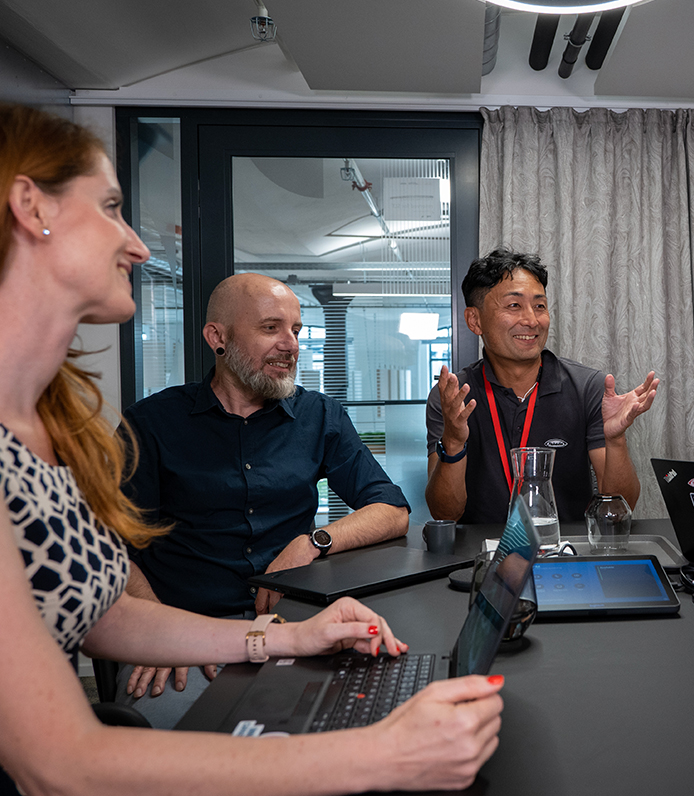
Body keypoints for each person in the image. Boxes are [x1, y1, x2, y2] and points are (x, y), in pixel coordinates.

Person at [0, 103, 503, 794]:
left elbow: (102, 608)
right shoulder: (144, 423)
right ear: (30, 206)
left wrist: (289, 634)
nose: (140, 245)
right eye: (112, 206)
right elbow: (57, 761)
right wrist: (383, 753)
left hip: (244, 629)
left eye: (296, 327)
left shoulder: (48, 427)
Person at [116, 272, 410, 727]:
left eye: (296, 329)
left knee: (349, 729)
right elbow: (108, 548)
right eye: (271, 328)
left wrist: (314, 541)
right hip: (183, 639)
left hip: (294, 629)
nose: (290, 344)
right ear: (218, 337)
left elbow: (391, 510)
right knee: (177, 756)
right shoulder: (150, 424)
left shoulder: (320, 416)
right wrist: (159, 631)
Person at [425, 248, 659, 524]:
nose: (532, 320)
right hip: (479, 555)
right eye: (514, 306)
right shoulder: (453, 397)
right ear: (475, 320)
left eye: (539, 306)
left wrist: (616, 440)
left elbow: (620, 509)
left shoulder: (588, 387)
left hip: (568, 554)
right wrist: (452, 442)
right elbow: (444, 514)